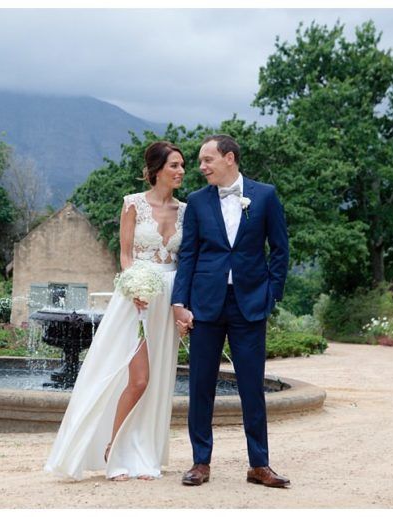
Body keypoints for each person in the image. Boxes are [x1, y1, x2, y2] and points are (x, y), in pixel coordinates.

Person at [44, 141, 186, 481]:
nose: (181, 171)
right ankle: (111, 448)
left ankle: (141, 453)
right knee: (138, 379)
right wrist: (134, 287)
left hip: (168, 298)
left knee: (157, 381)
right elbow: (124, 255)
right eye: (175, 166)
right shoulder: (132, 204)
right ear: (156, 170)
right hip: (137, 298)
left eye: (183, 166)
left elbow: (186, 258)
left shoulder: (186, 210)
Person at [171, 134, 291, 488]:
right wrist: (181, 303)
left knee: (252, 387)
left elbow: (280, 250)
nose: (201, 167)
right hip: (206, 304)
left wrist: (272, 295)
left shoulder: (265, 195)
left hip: (250, 304)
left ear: (230, 158)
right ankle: (200, 462)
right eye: (200, 161)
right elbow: (188, 255)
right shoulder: (196, 201)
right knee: (201, 386)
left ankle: (259, 465)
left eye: (207, 160)